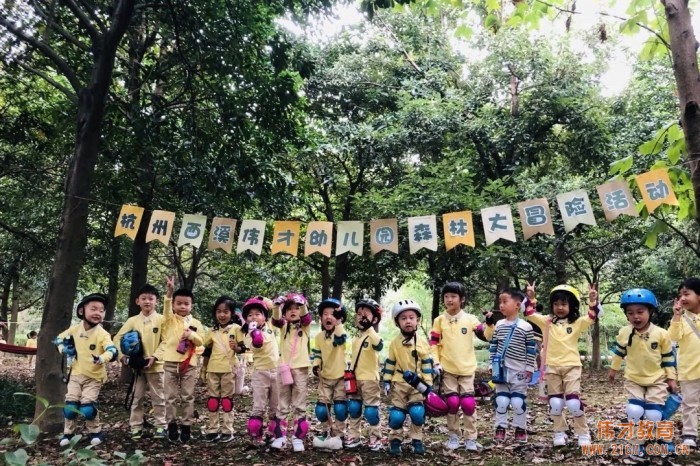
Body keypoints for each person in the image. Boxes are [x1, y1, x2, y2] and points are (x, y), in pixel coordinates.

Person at [523, 282, 602, 447]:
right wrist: (531, 297)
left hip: (572, 366)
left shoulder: (577, 323)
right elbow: (529, 313)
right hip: (551, 367)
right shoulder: (547, 321)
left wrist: (593, 300)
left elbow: (592, 317)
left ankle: (583, 433)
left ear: (571, 305)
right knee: (556, 403)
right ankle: (559, 431)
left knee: (573, 402)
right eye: (556, 304)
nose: (560, 307)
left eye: (564, 304)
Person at [609, 288, 677, 462]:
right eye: (630, 313)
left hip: (657, 379)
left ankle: (665, 439)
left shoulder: (661, 334)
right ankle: (636, 444)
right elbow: (618, 353)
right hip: (633, 379)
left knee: (654, 415)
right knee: (634, 411)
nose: (635, 316)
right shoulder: (625, 332)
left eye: (640, 312)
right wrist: (613, 370)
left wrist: (671, 378)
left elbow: (668, 358)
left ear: (650, 312)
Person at [54, 293, 117, 446]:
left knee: (88, 408)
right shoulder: (75, 330)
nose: (98, 313)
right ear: (82, 311)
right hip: (75, 374)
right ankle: (68, 434)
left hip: (94, 377)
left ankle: (95, 432)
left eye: (101, 310)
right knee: (70, 407)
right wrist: (64, 349)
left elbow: (112, 350)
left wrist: (102, 358)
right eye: (94, 309)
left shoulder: (103, 334)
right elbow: (57, 340)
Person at [430, 282, 485, 452]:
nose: (449, 300)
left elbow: (486, 334)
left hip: (467, 369)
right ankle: (453, 435)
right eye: (446, 297)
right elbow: (433, 343)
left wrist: (489, 323)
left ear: (462, 300)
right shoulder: (439, 320)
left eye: (453, 296)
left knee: (468, 404)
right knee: (452, 403)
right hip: (448, 369)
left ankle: (470, 438)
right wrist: (436, 362)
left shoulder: (470, 319)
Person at [153, 278, 204, 444]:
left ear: (191, 306)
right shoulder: (169, 320)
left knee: (188, 396)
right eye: (179, 303)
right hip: (169, 363)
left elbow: (201, 342)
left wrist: (192, 335)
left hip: (189, 364)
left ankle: (187, 426)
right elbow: (166, 309)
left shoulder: (196, 323)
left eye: (186, 304)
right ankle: (172, 425)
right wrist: (168, 293)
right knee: (170, 396)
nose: (182, 307)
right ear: (174, 305)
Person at [113, 283, 166, 440]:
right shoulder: (133, 320)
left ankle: (161, 426)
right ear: (137, 301)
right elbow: (117, 338)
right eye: (143, 298)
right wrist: (122, 356)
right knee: (137, 397)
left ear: (157, 301)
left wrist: (155, 356)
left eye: (151, 298)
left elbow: (166, 341)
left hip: (157, 366)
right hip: (138, 367)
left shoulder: (162, 320)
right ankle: (136, 426)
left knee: (159, 398)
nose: (147, 302)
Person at [484, 288, 536, 444]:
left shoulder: (526, 327)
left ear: (517, 305)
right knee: (501, 401)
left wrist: (529, 368)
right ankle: (500, 427)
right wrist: (491, 363)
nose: (501, 305)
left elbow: (531, 350)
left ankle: (520, 428)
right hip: (501, 371)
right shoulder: (499, 325)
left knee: (518, 402)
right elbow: (494, 345)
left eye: (505, 301)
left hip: (519, 371)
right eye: (500, 301)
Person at [382, 299, 433, 456]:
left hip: (418, 385)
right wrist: (386, 380)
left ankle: (416, 440)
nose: (408, 321)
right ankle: (395, 441)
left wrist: (428, 383)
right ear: (397, 322)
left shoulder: (422, 342)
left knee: (417, 413)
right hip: (399, 384)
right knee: (397, 415)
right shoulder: (394, 343)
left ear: (418, 320)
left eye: (411, 317)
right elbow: (390, 363)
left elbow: (426, 363)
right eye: (403, 318)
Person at [270, 293, 312, 452]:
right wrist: (276, 306)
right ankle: (280, 437)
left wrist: (302, 304)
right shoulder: (284, 327)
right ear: (285, 312)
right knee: (282, 403)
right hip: (284, 368)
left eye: (297, 308)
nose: (293, 311)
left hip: (300, 368)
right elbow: (276, 320)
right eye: (289, 309)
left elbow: (306, 317)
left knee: (299, 403)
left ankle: (298, 438)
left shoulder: (305, 326)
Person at [240, 296, 280, 445]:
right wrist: (254, 332)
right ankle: (255, 437)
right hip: (260, 373)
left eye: (257, 313)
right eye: (250, 315)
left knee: (276, 407)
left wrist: (267, 301)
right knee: (259, 406)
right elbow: (257, 344)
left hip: (276, 371)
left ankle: (273, 434)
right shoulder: (247, 336)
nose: (254, 317)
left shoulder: (270, 326)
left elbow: (276, 312)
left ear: (264, 316)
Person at [345, 298, 384, 451]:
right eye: (359, 314)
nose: (361, 317)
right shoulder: (356, 337)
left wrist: (371, 326)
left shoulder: (373, 335)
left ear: (374, 318)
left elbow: (379, 345)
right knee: (354, 407)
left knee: (371, 411)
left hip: (369, 379)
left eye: (365, 314)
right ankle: (355, 435)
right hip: (355, 378)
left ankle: (375, 437)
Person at [202, 296, 241, 443]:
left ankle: (227, 430)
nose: (222, 315)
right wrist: (203, 368)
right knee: (212, 401)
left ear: (231, 313)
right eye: (218, 311)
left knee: (226, 401)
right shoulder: (212, 331)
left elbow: (243, 348)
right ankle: (212, 429)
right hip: (213, 369)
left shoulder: (236, 329)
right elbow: (206, 349)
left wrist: (236, 347)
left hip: (228, 369)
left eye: (225, 311)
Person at [311, 298, 348, 450]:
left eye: (332, 314)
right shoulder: (319, 337)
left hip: (340, 376)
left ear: (339, 318)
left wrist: (338, 321)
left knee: (340, 408)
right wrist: (316, 365)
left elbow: (340, 340)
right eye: (325, 314)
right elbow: (317, 354)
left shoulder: (341, 332)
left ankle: (339, 433)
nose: (328, 317)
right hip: (325, 377)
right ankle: (327, 430)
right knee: (321, 409)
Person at [670, 278, 700, 448]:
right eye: (680, 295)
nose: (682, 298)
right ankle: (690, 434)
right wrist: (676, 315)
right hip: (689, 369)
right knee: (690, 404)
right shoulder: (681, 319)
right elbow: (672, 338)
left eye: (687, 294)